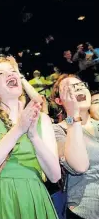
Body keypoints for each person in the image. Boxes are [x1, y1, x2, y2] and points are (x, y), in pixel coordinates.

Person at [0, 56, 61, 219]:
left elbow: (55, 176)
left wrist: (33, 136)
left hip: (34, 198)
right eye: (0, 74)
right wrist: (19, 129)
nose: (10, 75)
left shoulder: (42, 120)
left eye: (13, 71)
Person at [51, 74, 99, 219]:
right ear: (59, 100)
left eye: (81, 85)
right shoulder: (57, 130)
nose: (78, 88)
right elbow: (79, 166)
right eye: (70, 88)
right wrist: (73, 115)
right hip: (85, 209)